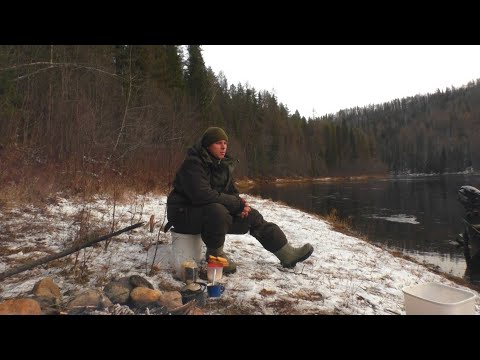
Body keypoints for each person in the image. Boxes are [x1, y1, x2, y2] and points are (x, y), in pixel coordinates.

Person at [166, 126, 314, 274]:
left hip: (208, 215)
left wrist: (242, 206)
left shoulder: (221, 166)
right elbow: (201, 195)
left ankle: (286, 254)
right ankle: (214, 256)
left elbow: (231, 194)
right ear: (207, 145)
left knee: (253, 216)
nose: (223, 146)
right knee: (218, 211)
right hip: (182, 214)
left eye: (225, 142)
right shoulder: (193, 164)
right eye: (218, 143)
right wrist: (234, 204)